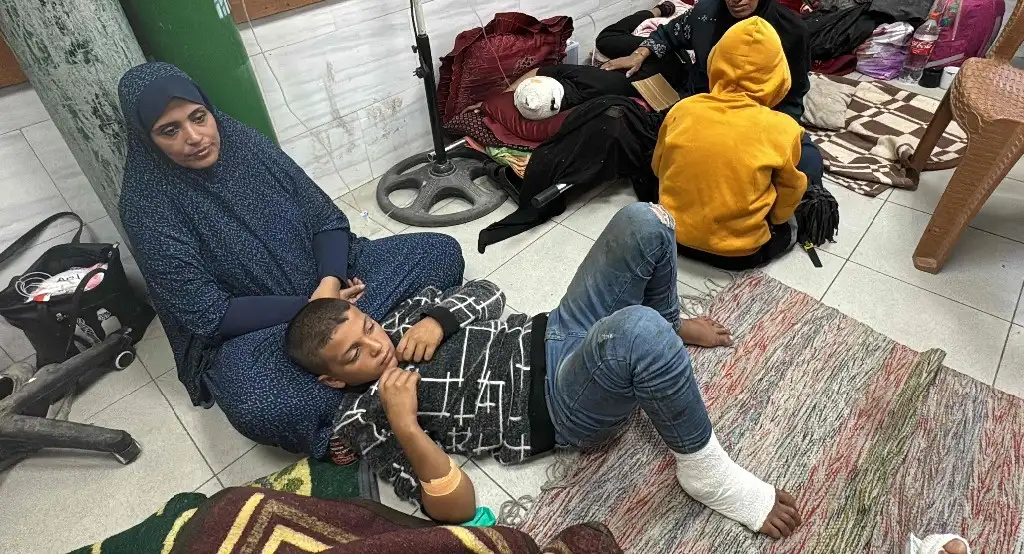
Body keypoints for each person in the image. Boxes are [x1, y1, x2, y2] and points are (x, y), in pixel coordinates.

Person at [287, 203, 802, 538]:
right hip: (558, 404)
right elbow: (455, 509)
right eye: (353, 355)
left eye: (367, 329)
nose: (375, 347)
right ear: (331, 379)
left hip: (555, 329)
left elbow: (489, 294)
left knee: (644, 221)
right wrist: (405, 423)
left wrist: (438, 321)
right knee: (636, 332)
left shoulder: (403, 319)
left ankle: (671, 326)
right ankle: (705, 469)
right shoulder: (365, 417)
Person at [117, 62, 465, 458]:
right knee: (258, 404)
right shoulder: (146, 205)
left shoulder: (244, 143)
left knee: (439, 251)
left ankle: (350, 360)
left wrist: (330, 280)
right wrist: (313, 306)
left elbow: (325, 218)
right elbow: (208, 315)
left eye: (199, 117)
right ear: (147, 139)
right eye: (169, 130)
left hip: (328, 282)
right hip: (259, 327)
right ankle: (368, 365)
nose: (194, 137)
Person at [597, 0, 824, 185]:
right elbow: (670, 33)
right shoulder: (708, 13)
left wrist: (773, 135)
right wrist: (640, 53)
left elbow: (794, 95)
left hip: (759, 118)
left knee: (807, 164)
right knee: (660, 148)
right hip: (704, 107)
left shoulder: (791, 32)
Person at [653, 17, 807, 271]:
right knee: (791, 222)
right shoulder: (784, 128)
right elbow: (788, 194)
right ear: (778, 74)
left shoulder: (683, 108)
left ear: (716, 59)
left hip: (673, 238)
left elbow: (659, 167)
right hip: (740, 254)